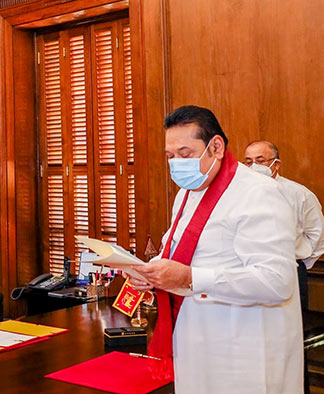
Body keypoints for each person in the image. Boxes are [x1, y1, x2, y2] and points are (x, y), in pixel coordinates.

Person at [126, 106, 302, 393]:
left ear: (216, 147)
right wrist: (151, 271)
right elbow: (176, 246)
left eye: (185, 154)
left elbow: (276, 281)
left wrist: (188, 278)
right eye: (170, 156)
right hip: (195, 339)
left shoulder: (258, 193)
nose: (177, 164)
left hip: (244, 347)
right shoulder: (187, 192)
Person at [244, 140, 324, 310]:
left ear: (276, 164)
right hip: (248, 271)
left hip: (290, 270)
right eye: (249, 162)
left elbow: (318, 234)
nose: (253, 166)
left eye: (260, 161)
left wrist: (299, 262)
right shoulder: (238, 194)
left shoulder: (299, 194)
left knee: (291, 327)